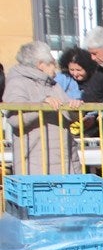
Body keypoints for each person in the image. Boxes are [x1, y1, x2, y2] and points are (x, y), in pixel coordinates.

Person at [2, 41, 81, 175]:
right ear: (40, 64)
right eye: (52, 63)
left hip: (65, 160)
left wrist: (73, 108)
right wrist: (41, 106)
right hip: (35, 163)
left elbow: (68, 115)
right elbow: (15, 119)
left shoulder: (53, 85)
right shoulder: (17, 83)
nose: (55, 68)